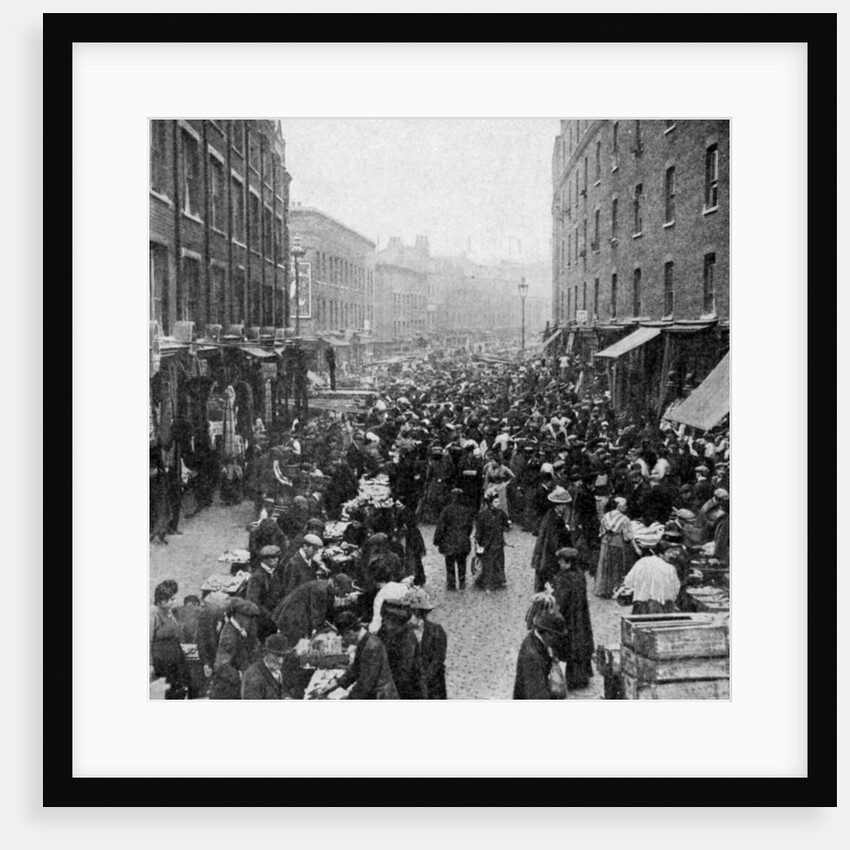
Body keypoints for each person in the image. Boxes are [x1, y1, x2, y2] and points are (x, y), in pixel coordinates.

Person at [317, 611, 399, 700]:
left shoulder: (371, 646)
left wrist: (348, 699)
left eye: (343, 635)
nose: (343, 640)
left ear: (350, 631)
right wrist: (333, 685)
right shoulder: (364, 641)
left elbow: (365, 684)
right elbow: (354, 670)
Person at [549, 547, 594, 689]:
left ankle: (572, 678)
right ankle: (582, 676)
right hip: (581, 618)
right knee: (581, 646)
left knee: (569, 647)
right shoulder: (580, 575)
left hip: (568, 619)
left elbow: (561, 600)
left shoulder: (564, 578)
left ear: (568, 562)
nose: (559, 563)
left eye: (561, 561)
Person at [272, 573, 358, 646]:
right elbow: (317, 617)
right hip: (291, 619)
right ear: (335, 585)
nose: (343, 595)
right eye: (343, 592)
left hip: (297, 618)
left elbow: (329, 612)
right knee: (294, 647)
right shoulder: (320, 590)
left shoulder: (328, 590)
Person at [208, 597, 261, 700]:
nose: (251, 622)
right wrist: (242, 676)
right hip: (227, 691)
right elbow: (221, 666)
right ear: (238, 615)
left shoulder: (240, 630)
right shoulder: (229, 635)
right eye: (248, 617)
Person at [377, 600, 428, 699]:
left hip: (408, 691)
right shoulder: (384, 631)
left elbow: (404, 672)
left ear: (397, 622)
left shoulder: (407, 639)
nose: (384, 622)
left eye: (387, 620)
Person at [512, 610, 568, 700]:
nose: (558, 641)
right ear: (548, 634)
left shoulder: (536, 638)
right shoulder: (533, 657)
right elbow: (537, 696)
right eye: (557, 636)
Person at [150, 579, 191, 700]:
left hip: (174, 655)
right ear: (162, 601)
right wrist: (150, 664)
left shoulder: (167, 611)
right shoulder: (152, 615)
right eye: (172, 599)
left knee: (181, 685)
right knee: (173, 689)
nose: (175, 602)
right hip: (163, 659)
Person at [619, 535, 681, 615]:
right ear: (661, 553)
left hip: (639, 604)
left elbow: (628, 581)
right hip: (658, 606)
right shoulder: (670, 569)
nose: (671, 555)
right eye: (669, 552)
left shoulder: (642, 562)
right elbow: (674, 590)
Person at [405, 587, 447, 699]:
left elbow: (438, 659)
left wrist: (424, 680)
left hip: (433, 686)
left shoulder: (437, 631)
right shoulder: (401, 633)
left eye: (418, 613)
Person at [530, 486, 574, 593]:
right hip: (550, 554)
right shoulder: (557, 519)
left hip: (543, 551)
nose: (564, 507)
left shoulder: (549, 514)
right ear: (558, 506)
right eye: (563, 505)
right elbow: (556, 539)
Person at [433, 487, 475, 590]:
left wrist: (437, 540)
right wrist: (465, 536)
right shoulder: (467, 510)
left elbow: (441, 526)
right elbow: (470, 527)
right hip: (463, 542)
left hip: (449, 541)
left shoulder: (446, 510)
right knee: (462, 563)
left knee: (450, 563)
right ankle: (462, 582)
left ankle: (451, 584)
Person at [594, 497, 635, 599]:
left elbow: (602, 530)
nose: (626, 507)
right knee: (616, 565)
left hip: (605, 542)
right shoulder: (625, 519)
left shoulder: (606, 515)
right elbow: (627, 536)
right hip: (617, 543)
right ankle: (613, 588)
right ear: (620, 506)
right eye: (625, 505)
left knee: (605, 564)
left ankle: (603, 589)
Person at [241, 634, 301, 700]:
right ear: (266, 653)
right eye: (276, 656)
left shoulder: (278, 672)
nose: (280, 661)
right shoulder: (253, 675)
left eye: (283, 656)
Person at [245, 545, 286, 641]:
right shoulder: (257, 577)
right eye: (273, 558)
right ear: (264, 559)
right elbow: (253, 601)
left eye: (277, 557)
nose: (276, 560)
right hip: (262, 622)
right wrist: (271, 616)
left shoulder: (275, 572)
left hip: (275, 616)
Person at [473, 488, 510, 591]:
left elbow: (506, 522)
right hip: (487, 543)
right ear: (489, 503)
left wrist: (507, 524)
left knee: (499, 562)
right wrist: (478, 544)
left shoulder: (501, 513)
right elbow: (479, 531)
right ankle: (487, 582)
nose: (498, 504)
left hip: (498, 541)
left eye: (498, 501)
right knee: (488, 563)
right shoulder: (482, 515)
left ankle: (499, 580)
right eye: (496, 502)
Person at [281, 533, 324, 600]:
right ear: (305, 546)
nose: (316, 552)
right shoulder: (293, 564)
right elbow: (289, 591)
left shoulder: (310, 560)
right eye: (315, 549)